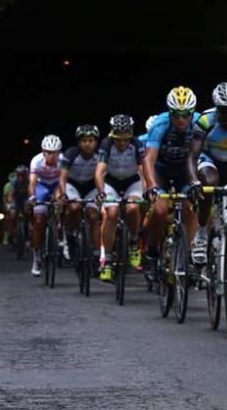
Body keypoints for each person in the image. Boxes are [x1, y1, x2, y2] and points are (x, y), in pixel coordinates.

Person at [186, 82, 227, 306]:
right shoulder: (205, 120)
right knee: (209, 183)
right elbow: (191, 156)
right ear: (216, 109)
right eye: (223, 111)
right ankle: (202, 233)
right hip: (210, 162)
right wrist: (194, 181)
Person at [142, 86, 201, 279]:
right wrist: (151, 186)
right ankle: (151, 253)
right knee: (159, 210)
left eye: (186, 115)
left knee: (190, 208)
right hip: (162, 170)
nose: (181, 119)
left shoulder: (200, 123)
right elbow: (148, 159)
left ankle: (189, 256)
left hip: (185, 170)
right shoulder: (160, 124)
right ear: (170, 112)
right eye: (176, 115)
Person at [95, 114, 145, 283]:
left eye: (125, 140)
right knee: (111, 212)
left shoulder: (137, 144)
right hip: (112, 182)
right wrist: (101, 191)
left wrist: (145, 190)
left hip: (132, 181)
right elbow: (99, 171)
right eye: (118, 140)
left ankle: (133, 242)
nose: (122, 144)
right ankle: (107, 261)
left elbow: (143, 170)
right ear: (112, 135)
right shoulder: (106, 144)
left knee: (132, 207)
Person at [59, 124, 101, 267]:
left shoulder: (100, 155)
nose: (87, 144)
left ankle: (96, 255)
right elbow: (63, 176)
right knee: (74, 207)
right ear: (78, 142)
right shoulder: (70, 153)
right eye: (84, 141)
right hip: (73, 185)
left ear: (96, 142)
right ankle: (70, 236)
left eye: (91, 140)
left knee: (94, 215)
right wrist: (63, 193)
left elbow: (104, 175)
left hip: (91, 186)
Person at [28, 135, 64, 276]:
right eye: (48, 152)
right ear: (43, 152)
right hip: (41, 185)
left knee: (62, 201)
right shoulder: (36, 160)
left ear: (58, 152)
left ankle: (63, 235)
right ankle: (36, 256)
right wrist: (32, 197)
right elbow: (32, 182)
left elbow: (64, 180)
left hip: (56, 185)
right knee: (38, 220)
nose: (51, 155)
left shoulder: (63, 161)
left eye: (54, 152)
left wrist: (62, 196)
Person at [4, 165, 29, 247]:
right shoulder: (14, 181)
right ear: (16, 175)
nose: (21, 177)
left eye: (23, 175)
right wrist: (9, 204)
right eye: (19, 175)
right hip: (16, 199)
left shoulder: (29, 180)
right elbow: (10, 194)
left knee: (27, 212)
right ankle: (11, 234)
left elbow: (31, 192)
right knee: (12, 214)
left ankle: (27, 233)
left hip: (25, 198)